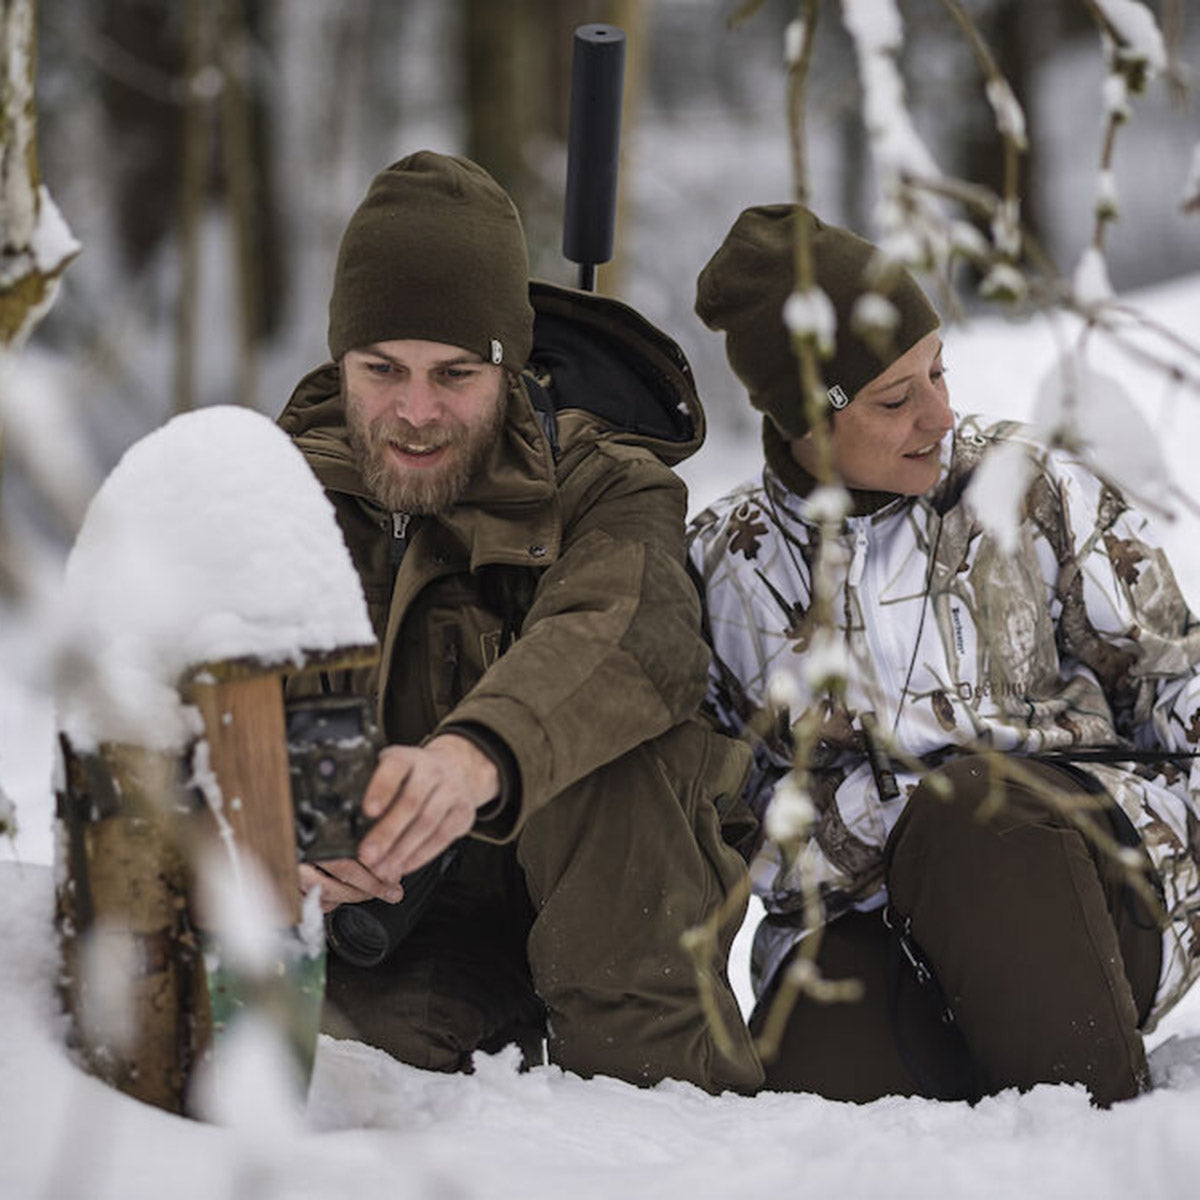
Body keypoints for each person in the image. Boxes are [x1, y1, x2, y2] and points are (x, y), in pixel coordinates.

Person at [686, 202, 1200, 1106]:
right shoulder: (731, 567)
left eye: (938, 371)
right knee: (812, 1071)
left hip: (1089, 873)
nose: (941, 411)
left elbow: (1173, 674)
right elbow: (725, 807)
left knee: (972, 815)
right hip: (875, 923)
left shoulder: (1023, 482)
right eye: (896, 397)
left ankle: (1104, 1148)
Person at [276, 151, 763, 1094]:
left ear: (507, 362)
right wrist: (281, 826)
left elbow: (634, 631)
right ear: (342, 362)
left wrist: (477, 759)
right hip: (398, 925)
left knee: (614, 737)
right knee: (357, 1103)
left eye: (454, 373)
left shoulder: (610, 481)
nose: (414, 413)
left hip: (624, 919)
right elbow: (179, 695)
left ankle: (665, 1122)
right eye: (383, 370)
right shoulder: (277, 487)